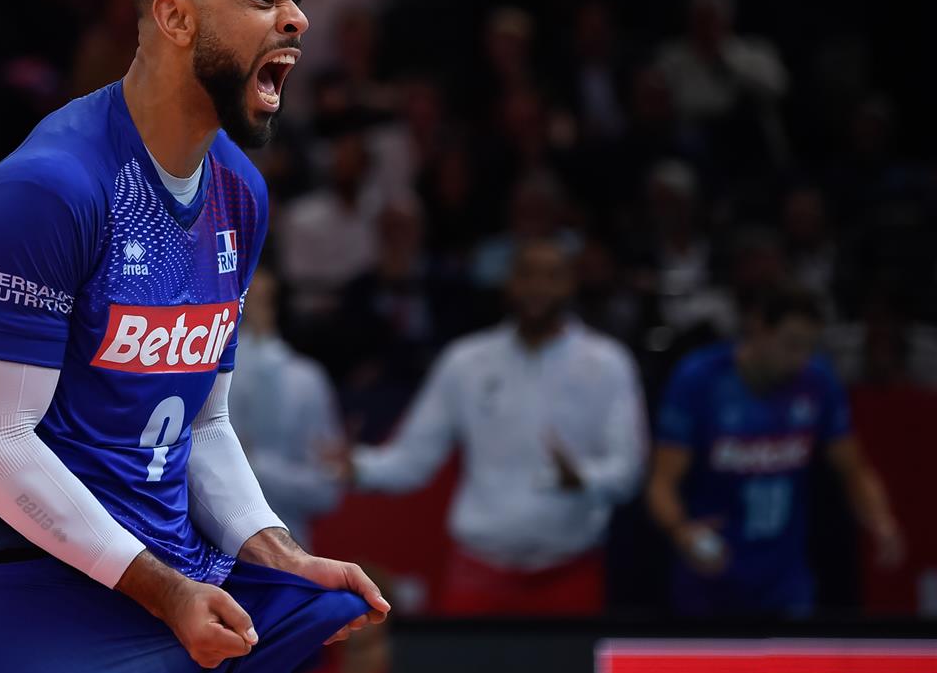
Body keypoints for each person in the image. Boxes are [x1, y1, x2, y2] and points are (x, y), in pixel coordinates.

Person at [0, 0, 386, 673]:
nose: (298, 19)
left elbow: (204, 423)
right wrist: (164, 590)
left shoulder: (240, 191)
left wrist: (275, 550)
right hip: (26, 565)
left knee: (328, 603)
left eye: (295, 0)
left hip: (173, 563)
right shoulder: (48, 189)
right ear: (176, 19)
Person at [345, 238, 647, 615]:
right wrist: (358, 466)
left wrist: (584, 478)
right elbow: (412, 459)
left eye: (552, 276)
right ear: (509, 283)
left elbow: (628, 470)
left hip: (571, 570)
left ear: (571, 283)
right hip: (480, 572)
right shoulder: (465, 361)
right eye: (526, 274)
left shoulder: (608, 363)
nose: (537, 286)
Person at [646, 285, 905, 616]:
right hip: (709, 573)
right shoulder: (699, 379)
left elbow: (854, 469)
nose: (800, 358)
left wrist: (881, 519)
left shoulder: (818, 381)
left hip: (785, 580)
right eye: (791, 344)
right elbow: (661, 483)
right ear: (759, 329)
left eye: (809, 346)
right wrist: (681, 531)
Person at [228, 266, 346, 549]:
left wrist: (255, 464)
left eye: (262, 300)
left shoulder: (307, 379)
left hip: (289, 543)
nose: (251, 310)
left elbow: (326, 489)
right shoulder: (201, 376)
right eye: (245, 298)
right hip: (211, 546)